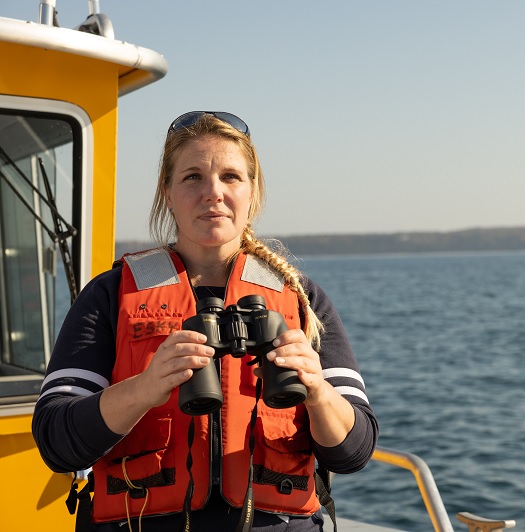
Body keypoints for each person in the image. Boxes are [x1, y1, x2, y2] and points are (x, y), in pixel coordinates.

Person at [32, 111, 378, 531]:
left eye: (231, 177)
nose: (213, 193)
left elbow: (354, 452)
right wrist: (146, 387)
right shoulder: (110, 296)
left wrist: (317, 392)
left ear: (252, 190)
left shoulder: (301, 299)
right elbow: (56, 441)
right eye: (193, 177)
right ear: (168, 191)